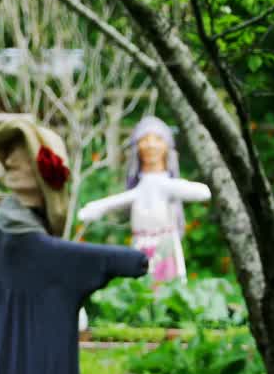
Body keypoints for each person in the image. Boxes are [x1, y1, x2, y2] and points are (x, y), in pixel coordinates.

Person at [0, 118, 147, 374]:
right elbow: (134, 261)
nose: (13, 161)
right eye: (12, 154)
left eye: (24, 153)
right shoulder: (54, 256)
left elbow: (131, 262)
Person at [78, 116, 212, 282]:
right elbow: (124, 198)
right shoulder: (141, 188)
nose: (150, 145)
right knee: (140, 288)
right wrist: (96, 208)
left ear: (166, 146)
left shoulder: (169, 186)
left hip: (166, 248)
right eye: (145, 139)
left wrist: (173, 186)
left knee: (168, 289)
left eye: (157, 139)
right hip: (140, 246)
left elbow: (203, 193)